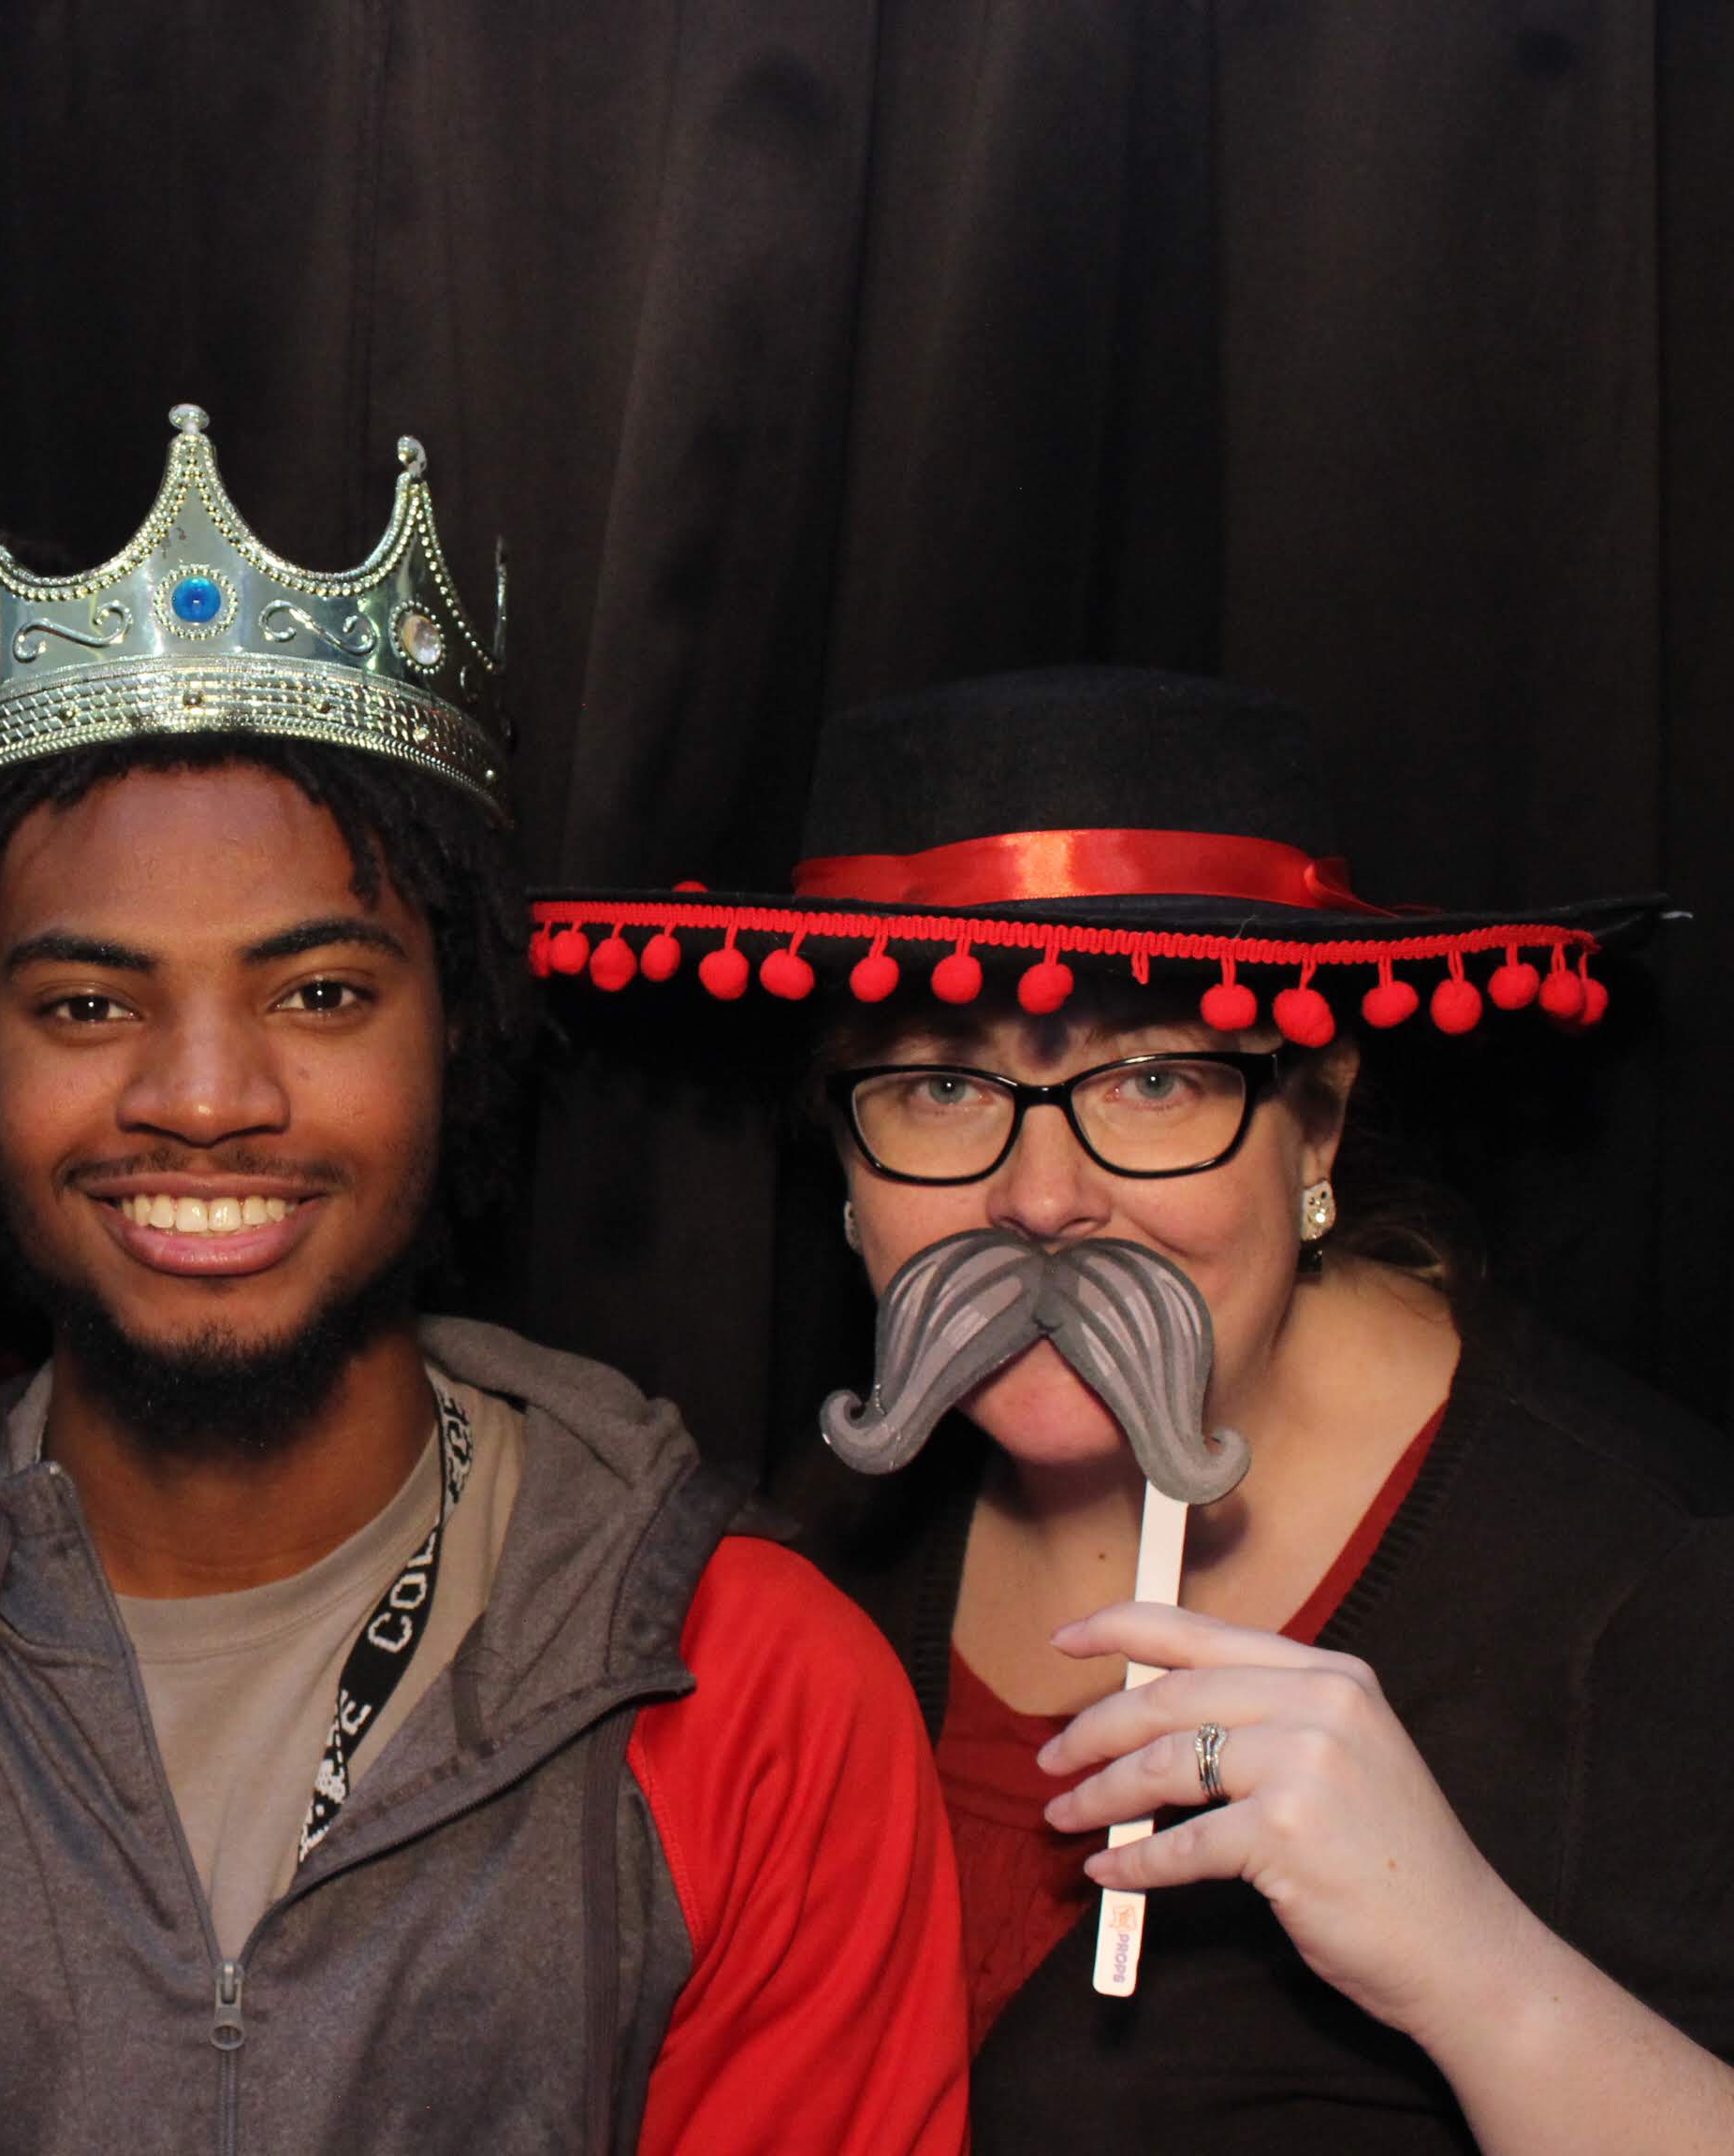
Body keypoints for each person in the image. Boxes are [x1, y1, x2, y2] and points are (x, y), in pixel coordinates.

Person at [0, 408, 969, 2154]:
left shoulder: (760, 1698)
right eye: (88, 1005)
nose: (204, 1098)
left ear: (457, 1040)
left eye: (319, 996)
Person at [532, 665, 1734, 2151]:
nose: (1042, 1201)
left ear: (1320, 1120)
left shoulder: (1651, 1588)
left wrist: (1481, 1971)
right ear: (844, 1166)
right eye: (937, 1090)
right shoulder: (831, 1524)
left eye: (1156, 1081)